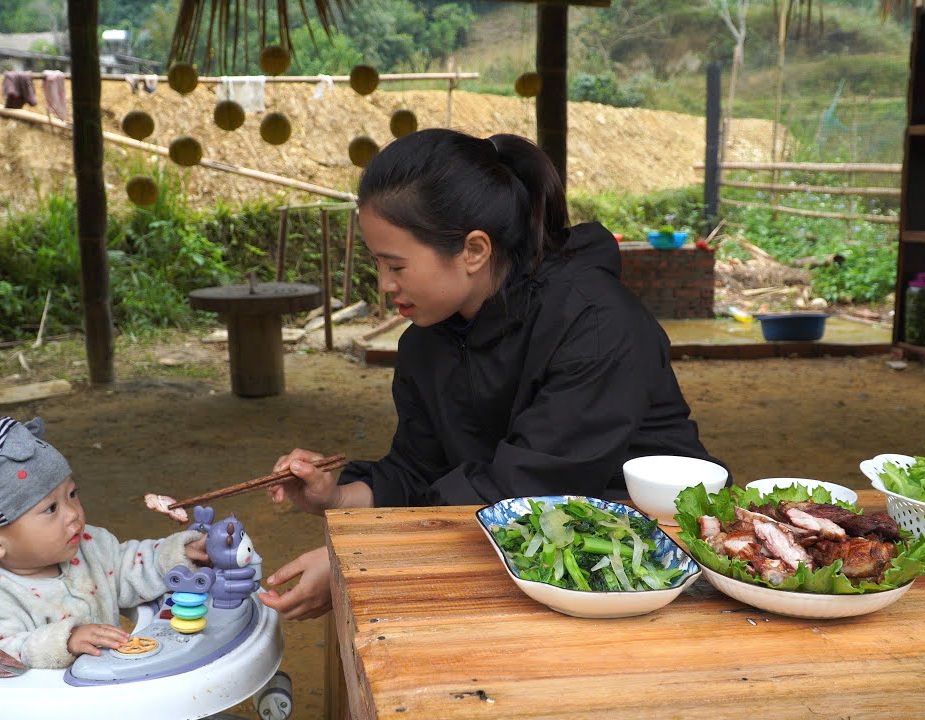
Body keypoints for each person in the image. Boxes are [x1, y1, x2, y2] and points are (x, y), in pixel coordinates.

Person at [258, 129, 724, 620]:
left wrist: (357, 560)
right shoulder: (428, 340)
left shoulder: (595, 322)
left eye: (396, 266)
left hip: (651, 564)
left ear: (474, 250)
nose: (385, 285)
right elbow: (420, 472)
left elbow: (528, 489)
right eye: (378, 264)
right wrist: (336, 495)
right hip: (524, 559)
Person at [0, 416, 209, 668]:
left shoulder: (89, 544)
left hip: (112, 687)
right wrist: (65, 641)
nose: (73, 513)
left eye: (72, 494)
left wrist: (180, 554)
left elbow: (129, 567)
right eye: (51, 508)